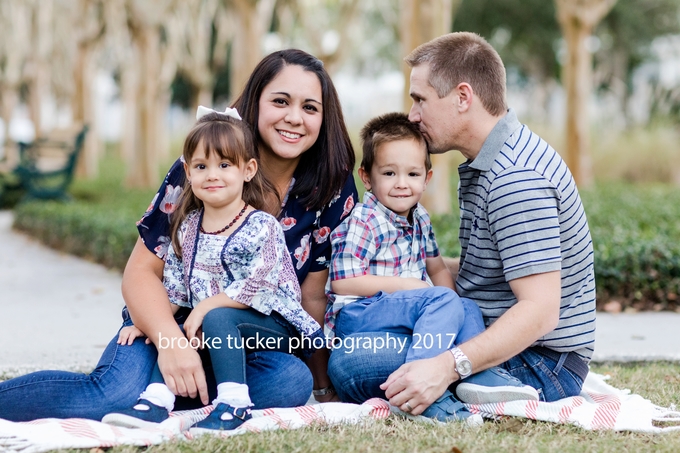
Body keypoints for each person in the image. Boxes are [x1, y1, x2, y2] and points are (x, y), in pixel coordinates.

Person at [0, 49, 357, 421]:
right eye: (280, 101)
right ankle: (145, 390)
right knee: (111, 394)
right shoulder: (200, 169)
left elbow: (313, 294)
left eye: (310, 108)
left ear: (324, 118)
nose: (294, 118)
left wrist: (322, 388)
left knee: (288, 383)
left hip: (249, 340)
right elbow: (141, 273)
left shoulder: (332, 185)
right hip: (171, 321)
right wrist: (170, 344)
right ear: (256, 102)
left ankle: (163, 397)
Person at [328, 32, 595, 416]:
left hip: (539, 365)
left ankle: (459, 394)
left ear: (463, 97)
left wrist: (446, 366)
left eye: (420, 99)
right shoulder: (493, 158)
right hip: (495, 337)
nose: (412, 115)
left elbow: (540, 310)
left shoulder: (515, 179)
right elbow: (486, 272)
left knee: (349, 362)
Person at [101, 109, 323, 432]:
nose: (212, 175)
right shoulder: (188, 228)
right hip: (219, 332)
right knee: (177, 325)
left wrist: (206, 305)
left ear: (248, 170)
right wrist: (144, 323)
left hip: (270, 324)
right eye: (201, 167)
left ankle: (234, 404)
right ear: (187, 172)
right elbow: (176, 289)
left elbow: (259, 285)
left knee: (215, 317)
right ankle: (156, 400)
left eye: (224, 165)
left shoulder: (262, 226)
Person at [325, 112, 537, 422]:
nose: (401, 184)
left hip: (405, 313)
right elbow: (344, 282)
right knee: (442, 299)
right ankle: (419, 383)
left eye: (412, 174)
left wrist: (452, 306)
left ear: (427, 178)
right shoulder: (365, 220)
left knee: (465, 305)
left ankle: (480, 377)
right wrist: (413, 288)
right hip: (361, 315)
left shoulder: (420, 217)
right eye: (389, 174)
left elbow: (437, 269)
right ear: (367, 177)